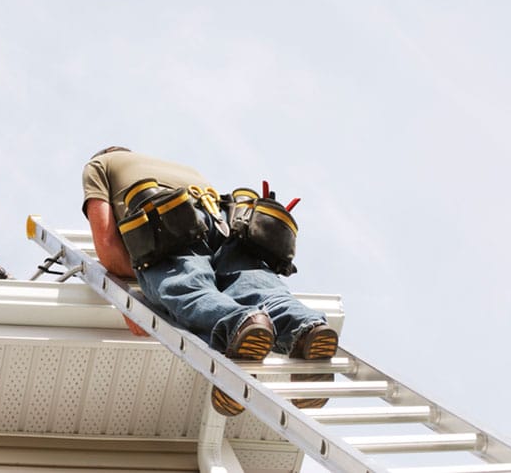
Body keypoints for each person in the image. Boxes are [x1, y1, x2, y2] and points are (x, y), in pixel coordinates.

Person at [81, 146, 338, 416]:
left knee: (188, 290)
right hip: (229, 222)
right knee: (257, 288)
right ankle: (306, 328)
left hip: (169, 223)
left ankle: (239, 327)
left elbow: (107, 244)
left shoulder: (100, 164)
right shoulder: (182, 169)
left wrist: (143, 286)